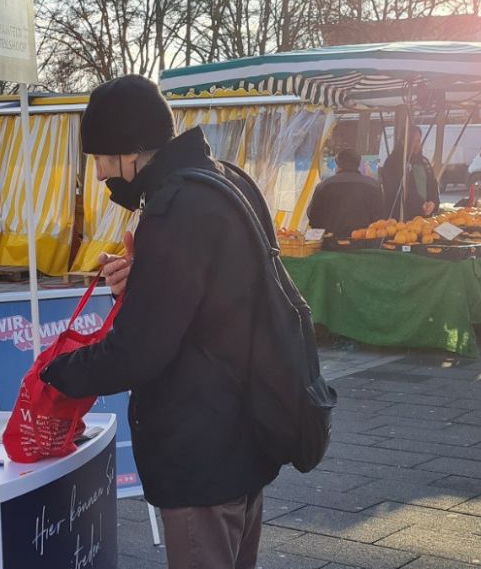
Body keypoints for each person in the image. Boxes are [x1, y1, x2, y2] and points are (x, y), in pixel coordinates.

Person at [39, 75, 281, 569]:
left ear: (129, 151)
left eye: (102, 159)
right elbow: (215, 296)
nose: (102, 175)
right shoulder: (225, 179)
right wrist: (145, 280)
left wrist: (57, 372)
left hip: (202, 452)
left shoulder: (175, 206)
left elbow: (139, 351)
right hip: (244, 434)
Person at [307, 148, 385, 236]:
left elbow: (313, 217)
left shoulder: (323, 186)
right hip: (365, 242)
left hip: (331, 243)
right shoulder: (373, 186)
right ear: (358, 164)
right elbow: (380, 218)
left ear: (338, 165)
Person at [379, 124, 439, 221]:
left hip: (424, 218)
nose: (417, 145)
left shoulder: (424, 162)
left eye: (419, 141)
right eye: (413, 141)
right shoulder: (393, 162)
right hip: (400, 217)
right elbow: (394, 188)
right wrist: (419, 203)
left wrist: (433, 202)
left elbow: (433, 185)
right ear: (403, 141)